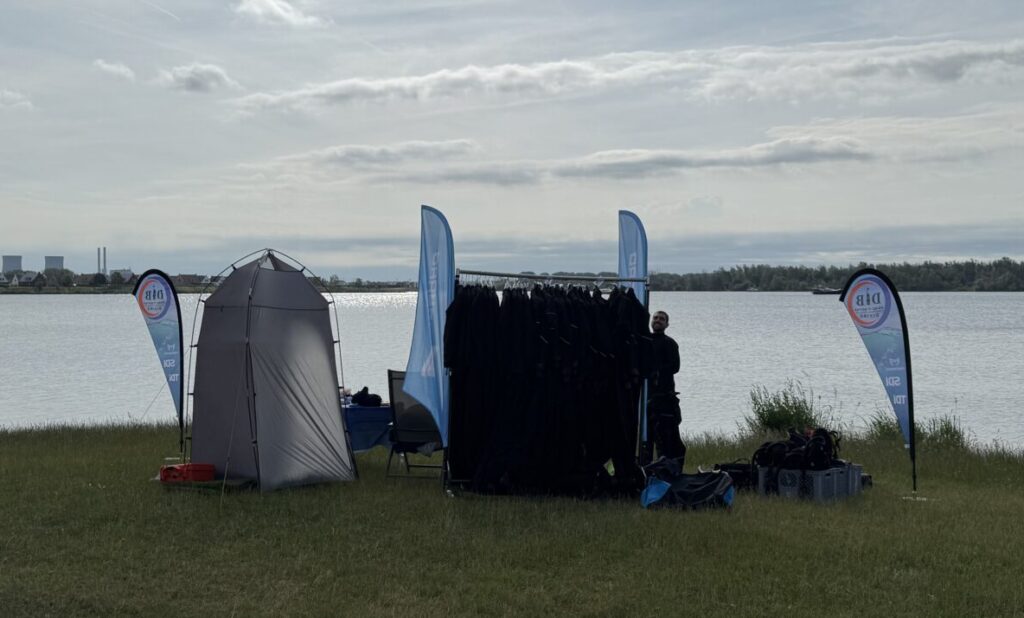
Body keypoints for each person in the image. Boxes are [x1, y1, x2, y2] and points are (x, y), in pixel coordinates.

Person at [647, 310, 687, 464]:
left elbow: (675, 367)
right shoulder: (644, 340)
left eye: (662, 319)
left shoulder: (670, 343)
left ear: (667, 324)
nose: (658, 320)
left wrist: (656, 370)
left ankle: (667, 470)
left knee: (667, 440)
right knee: (647, 438)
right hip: (646, 397)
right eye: (655, 318)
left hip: (664, 398)